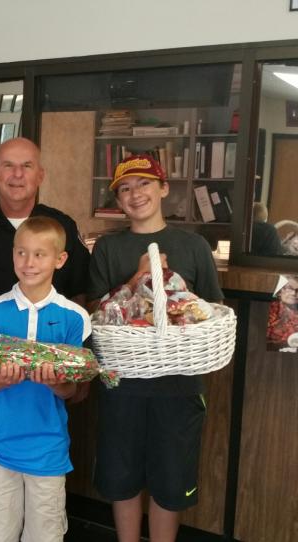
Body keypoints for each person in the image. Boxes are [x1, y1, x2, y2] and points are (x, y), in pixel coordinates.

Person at [0, 137, 91, 541]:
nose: (17, 175)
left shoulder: (62, 228)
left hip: (47, 443)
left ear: (40, 174)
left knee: (46, 528)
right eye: (8, 166)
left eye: (27, 166)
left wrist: (67, 380)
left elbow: (75, 378)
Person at [87, 154, 223, 542]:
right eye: (125, 189)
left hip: (179, 385)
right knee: (121, 477)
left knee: (170, 481)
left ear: (164, 188)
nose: (135, 194)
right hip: (121, 382)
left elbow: (213, 310)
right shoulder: (108, 249)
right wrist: (138, 279)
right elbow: (94, 313)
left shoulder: (194, 246)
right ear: (117, 200)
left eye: (144, 184)